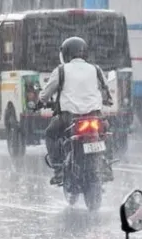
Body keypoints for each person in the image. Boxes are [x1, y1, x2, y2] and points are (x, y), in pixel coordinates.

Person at [38, 36, 112, 185]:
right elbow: (106, 92)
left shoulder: (61, 70)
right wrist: (106, 100)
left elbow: (46, 94)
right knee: (106, 132)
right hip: (94, 116)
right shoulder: (96, 69)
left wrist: (40, 102)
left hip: (69, 118)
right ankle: (106, 165)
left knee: (50, 134)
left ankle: (58, 169)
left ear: (65, 54)